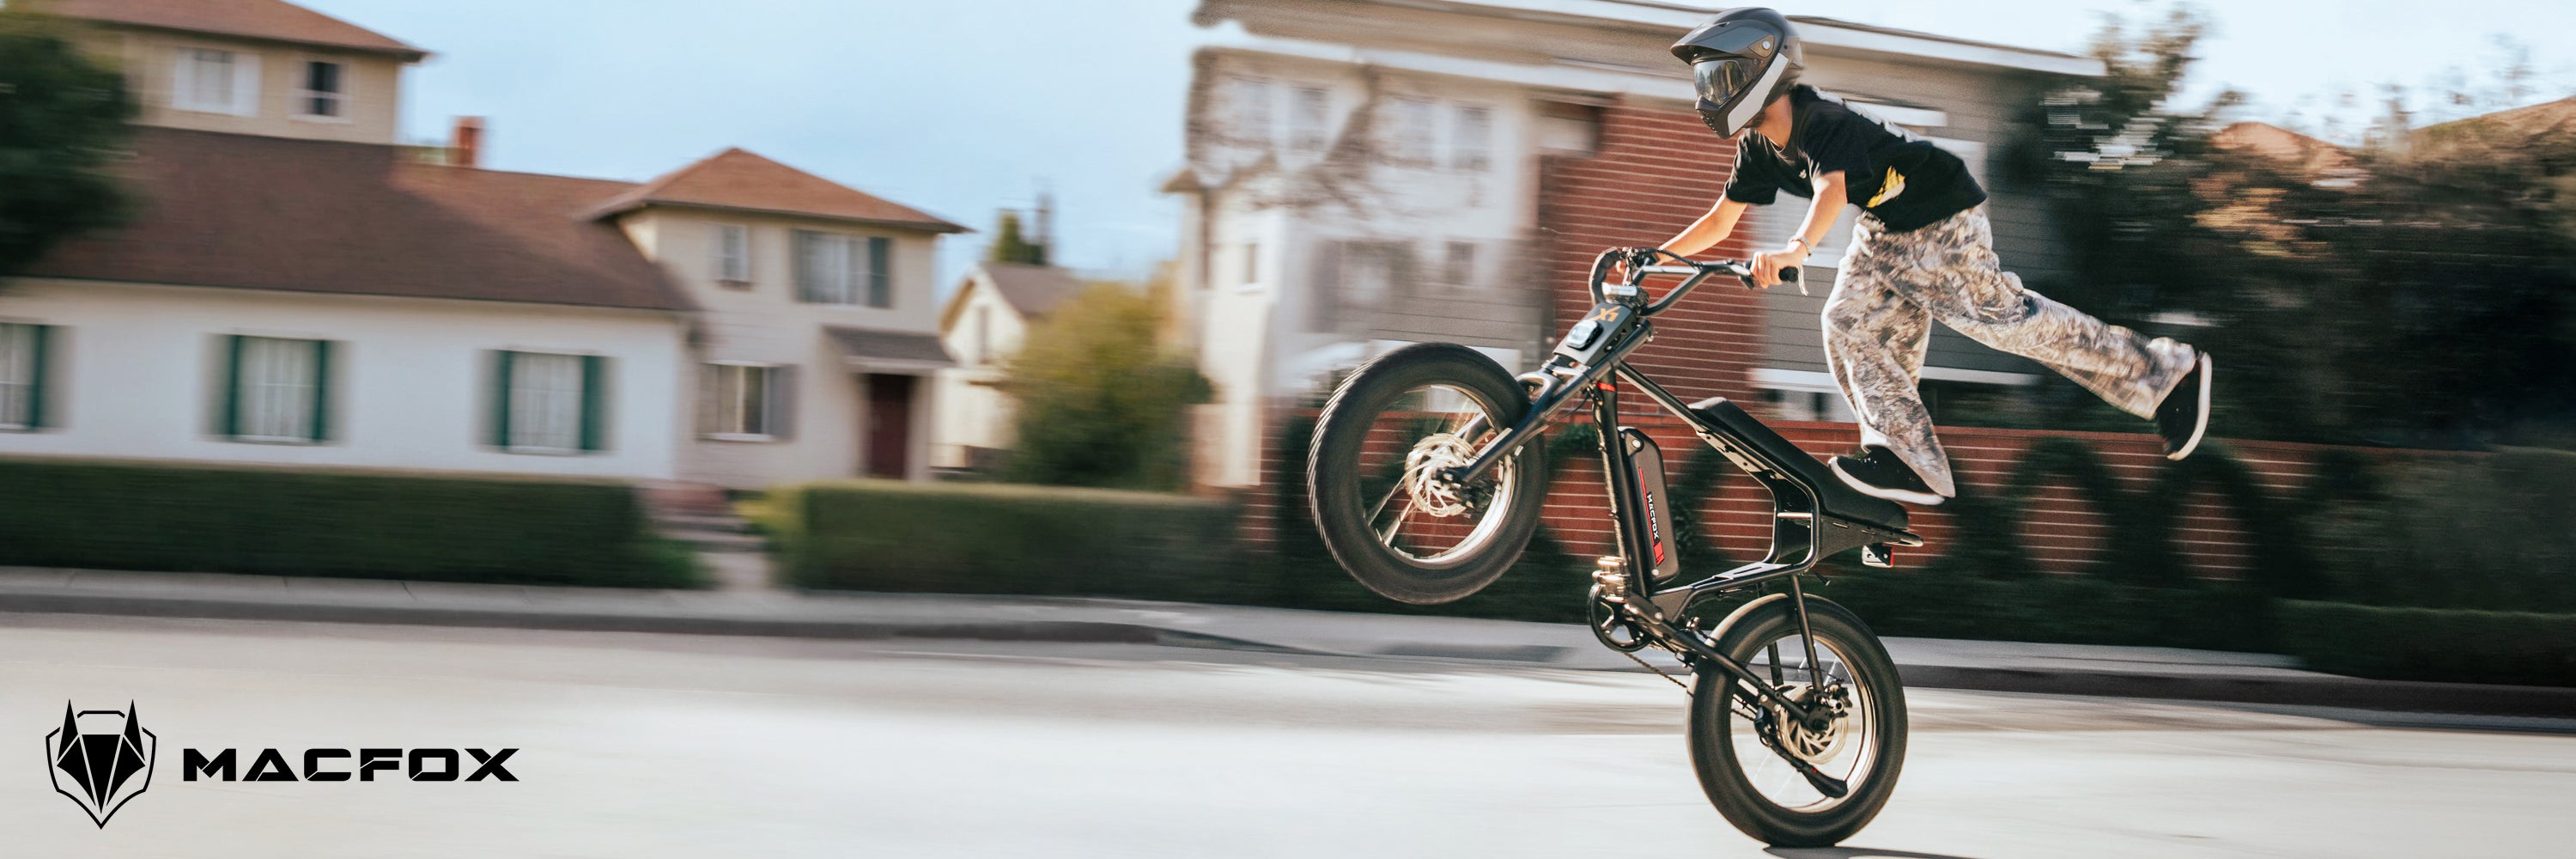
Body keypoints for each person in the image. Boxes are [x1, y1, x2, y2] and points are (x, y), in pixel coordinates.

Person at [1644, 7, 2211, 505]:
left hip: (1940, 213)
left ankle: (2169, 371)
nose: (1709, 92)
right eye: (1705, 79)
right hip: (1886, 229)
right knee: (1849, 323)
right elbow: (1722, 220)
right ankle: (1909, 459)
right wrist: (1652, 259)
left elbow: (1831, 191)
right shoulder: (1757, 147)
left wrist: (1797, 248)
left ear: (1763, 69)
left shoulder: (1823, 122)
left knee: (2000, 322)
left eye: (1720, 75)